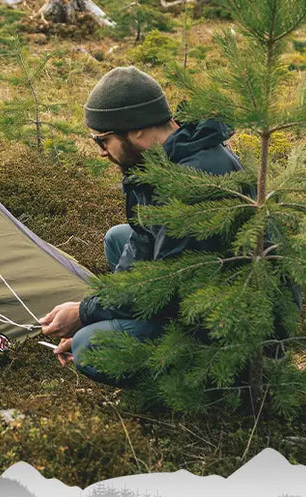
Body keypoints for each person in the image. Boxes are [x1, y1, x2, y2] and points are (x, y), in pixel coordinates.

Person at [39, 66, 243, 386]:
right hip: (191, 290)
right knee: (118, 238)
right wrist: (103, 310)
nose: (102, 152)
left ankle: (206, 385)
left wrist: (85, 314)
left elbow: (167, 287)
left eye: (103, 141)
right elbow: (142, 242)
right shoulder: (157, 162)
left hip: (227, 326)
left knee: (89, 346)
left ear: (134, 130)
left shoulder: (195, 180)